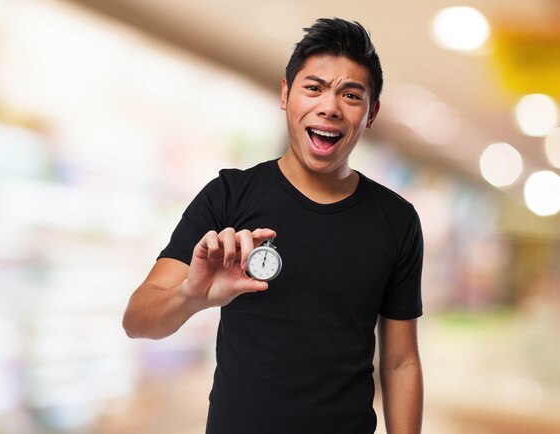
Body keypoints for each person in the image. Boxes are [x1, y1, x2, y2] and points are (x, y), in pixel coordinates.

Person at [123, 17, 424, 434]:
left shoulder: (396, 221)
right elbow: (137, 320)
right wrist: (192, 296)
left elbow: (400, 360)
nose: (330, 107)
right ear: (286, 94)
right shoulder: (229, 195)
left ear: (370, 113)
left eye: (351, 95)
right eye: (313, 87)